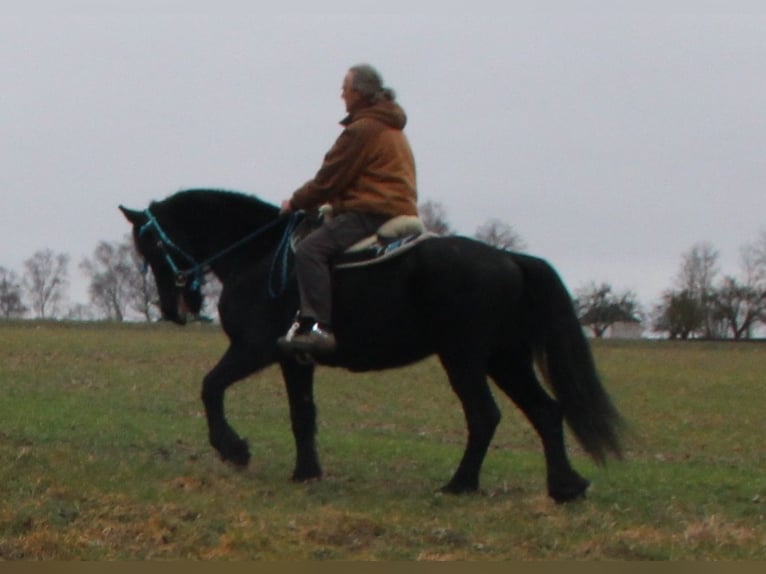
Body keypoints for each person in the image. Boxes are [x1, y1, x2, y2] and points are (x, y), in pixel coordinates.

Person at [278, 63, 418, 354]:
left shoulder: (362, 129)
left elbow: (328, 180)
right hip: (396, 207)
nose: (341, 94)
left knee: (310, 250)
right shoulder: (390, 126)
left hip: (370, 212)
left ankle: (317, 326)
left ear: (359, 92)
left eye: (345, 87)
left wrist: (295, 202)